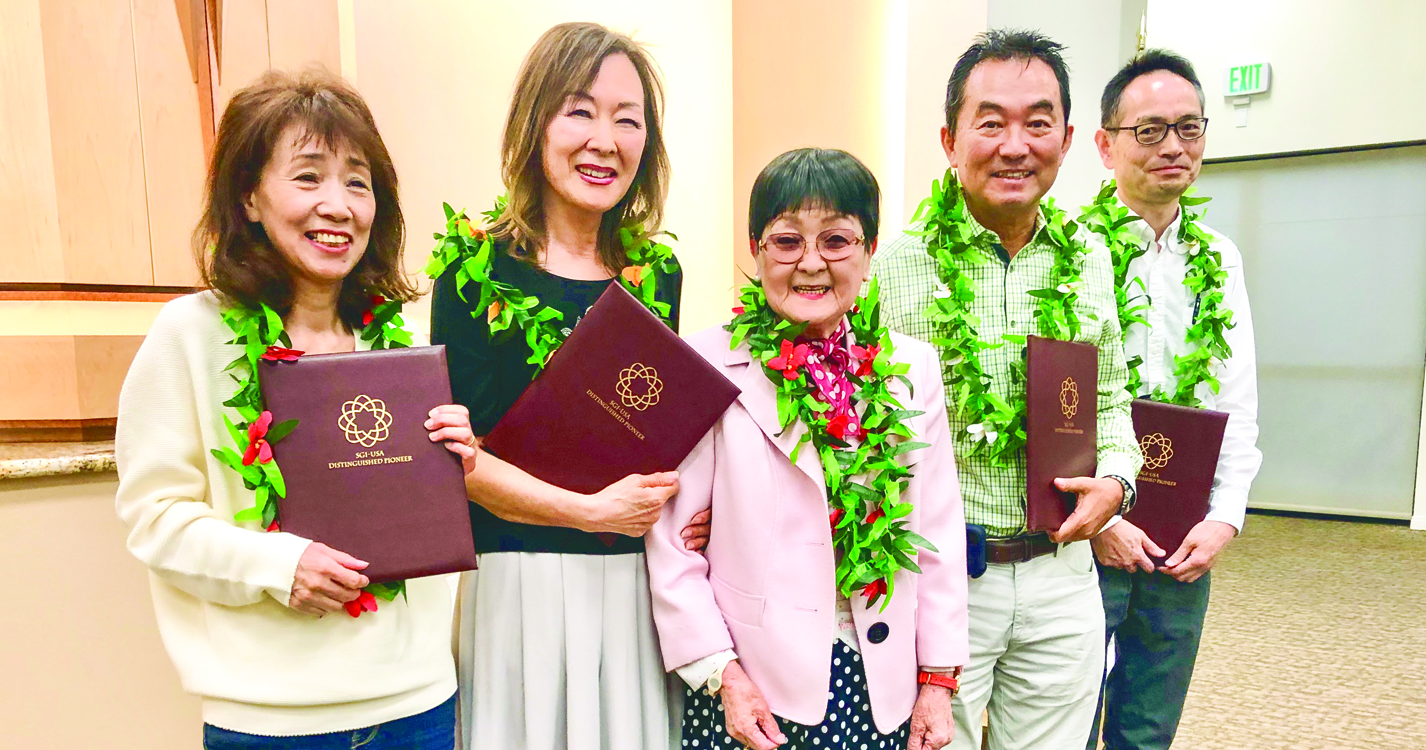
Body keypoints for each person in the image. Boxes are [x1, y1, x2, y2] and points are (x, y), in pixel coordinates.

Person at [115, 68, 476, 749]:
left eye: (357, 181)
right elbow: (155, 520)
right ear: (250, 196)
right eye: (308, 177)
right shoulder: (190, 335)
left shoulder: (403, 342)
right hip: (271, 723)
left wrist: (460, 459)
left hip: (418, 707)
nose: (338, 206)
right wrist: (280, 567)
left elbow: (428, 517)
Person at [430, 22, 701, 750]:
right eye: (579, 110)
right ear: (535, 121)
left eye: (627, 119)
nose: (604, 139)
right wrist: (588, 512)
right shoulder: (474, 270)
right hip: (517, 580)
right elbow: (458, 461)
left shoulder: (656, 276)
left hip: (631, 586)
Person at [871, 30, 1144, 750]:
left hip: (1062, 573)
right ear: (950, 139)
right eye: (990, 122)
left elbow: (1110, 397)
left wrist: (1116, 482)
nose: (1015, 144)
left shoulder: (1089, 261)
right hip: (940, 577)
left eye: (1038, 122)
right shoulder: (894, 267)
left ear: (1069, 137)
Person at [647, 148, 969, 750]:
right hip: (754, 683)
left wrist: (937, 679)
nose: (812, 264)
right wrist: (721, 673)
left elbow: (940, 535)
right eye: (787, 241)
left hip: (883, 682)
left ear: (870, 251)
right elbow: (672, 545)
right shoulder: (704, 364)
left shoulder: (911, 367)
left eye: (838, 241)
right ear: (756, 248)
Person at [1082, 49, 1262, 750]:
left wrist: (1225, 519)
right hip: (1086, 533)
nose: (1174, 148)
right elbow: (1045, 407)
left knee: (1150, 724)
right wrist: (1094, 520)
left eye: (1189, 129)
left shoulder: (1220, 258)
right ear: (1105, 144)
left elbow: (1236, 398)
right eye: (1150, 130)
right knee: (1064, 717)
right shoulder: (1068, 251)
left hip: (1186, 535)